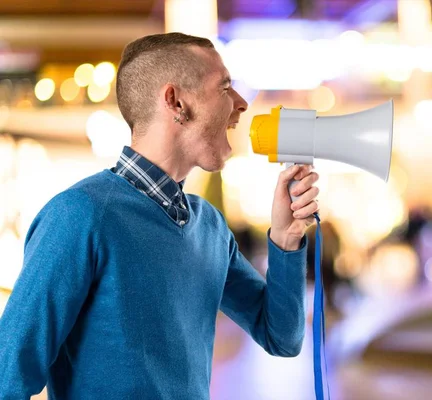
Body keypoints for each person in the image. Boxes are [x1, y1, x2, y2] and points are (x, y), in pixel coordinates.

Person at [0, 33, 320, 399]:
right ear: (176, 102)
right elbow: (7, 376)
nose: (241, 103)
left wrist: (286, 237)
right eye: (225, 87)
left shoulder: (210, 227)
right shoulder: (78, 216)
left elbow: (282, 336)